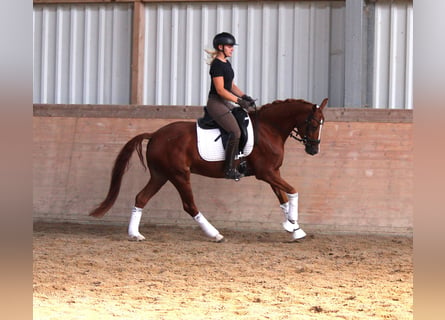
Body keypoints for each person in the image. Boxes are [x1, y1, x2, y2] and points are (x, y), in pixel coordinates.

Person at [205, 32, 255, 180]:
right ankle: (228, 168)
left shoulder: (226, 63)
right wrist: (239, 101)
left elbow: (230, 85)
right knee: (235, 132)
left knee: (245, 119)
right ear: (220, 47)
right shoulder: (217, 65)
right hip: (216, 103)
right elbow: (220, 90)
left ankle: (241, 157)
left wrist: (244, 96)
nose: (232, 49)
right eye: (229, 46)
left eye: (232, 46)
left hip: (224, 101)